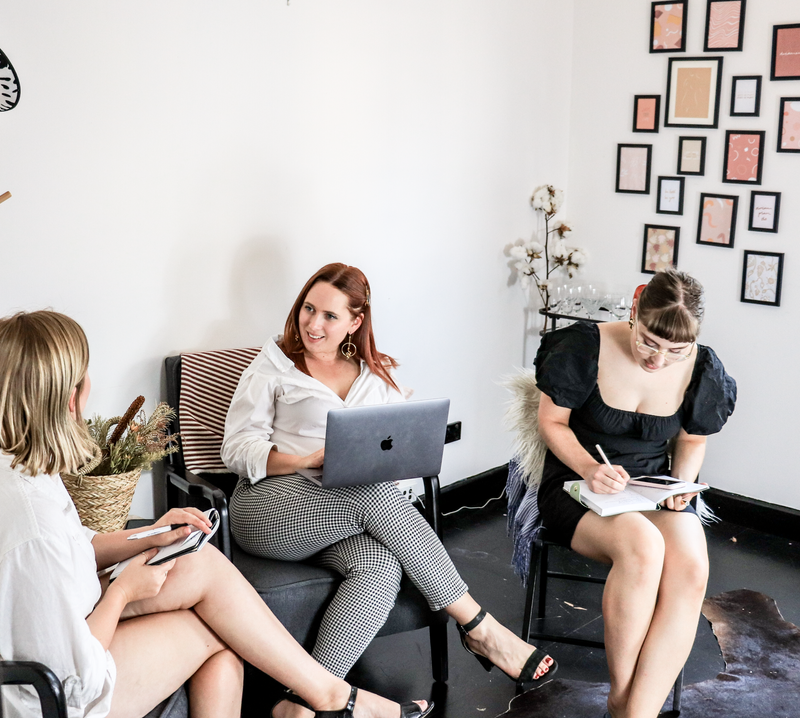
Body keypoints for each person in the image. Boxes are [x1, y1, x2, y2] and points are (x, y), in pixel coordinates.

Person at [0, 309, 433, 718]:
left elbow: (78, 546)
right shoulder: (32, 527)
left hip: (74, 623)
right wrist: (123, 593)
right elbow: (74, 680)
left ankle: (327, 694)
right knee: (219, 633)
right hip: (58, 695)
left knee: (200, 563)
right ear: (69, 399)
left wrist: (150, 534)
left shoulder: (25, 468)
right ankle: (333, 695)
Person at [222, 263, 557, 718]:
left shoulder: (375, 376)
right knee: (374, 496)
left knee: (379, 564)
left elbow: (392, 451)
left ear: (355, 322)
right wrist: (307, 458)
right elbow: (236, 449)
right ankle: (480, 628)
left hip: (339, 513)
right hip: (269, 507)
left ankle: (303, 703)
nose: (313, 324)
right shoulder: (274, 367)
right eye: (308, 309)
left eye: (329, 316)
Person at [534, 268, 736, 718]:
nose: (657, 360)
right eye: (648, 341)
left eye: (675, 351)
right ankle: (623, 698)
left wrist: (681, 487)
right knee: (643, 548)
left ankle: (636, 712)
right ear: (634, 311)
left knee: (691, 567)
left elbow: (691, 441)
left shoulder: (703, 368)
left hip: (650, 489)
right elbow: (551, 424)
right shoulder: (583, 346)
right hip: (576, 485)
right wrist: (590, 468)